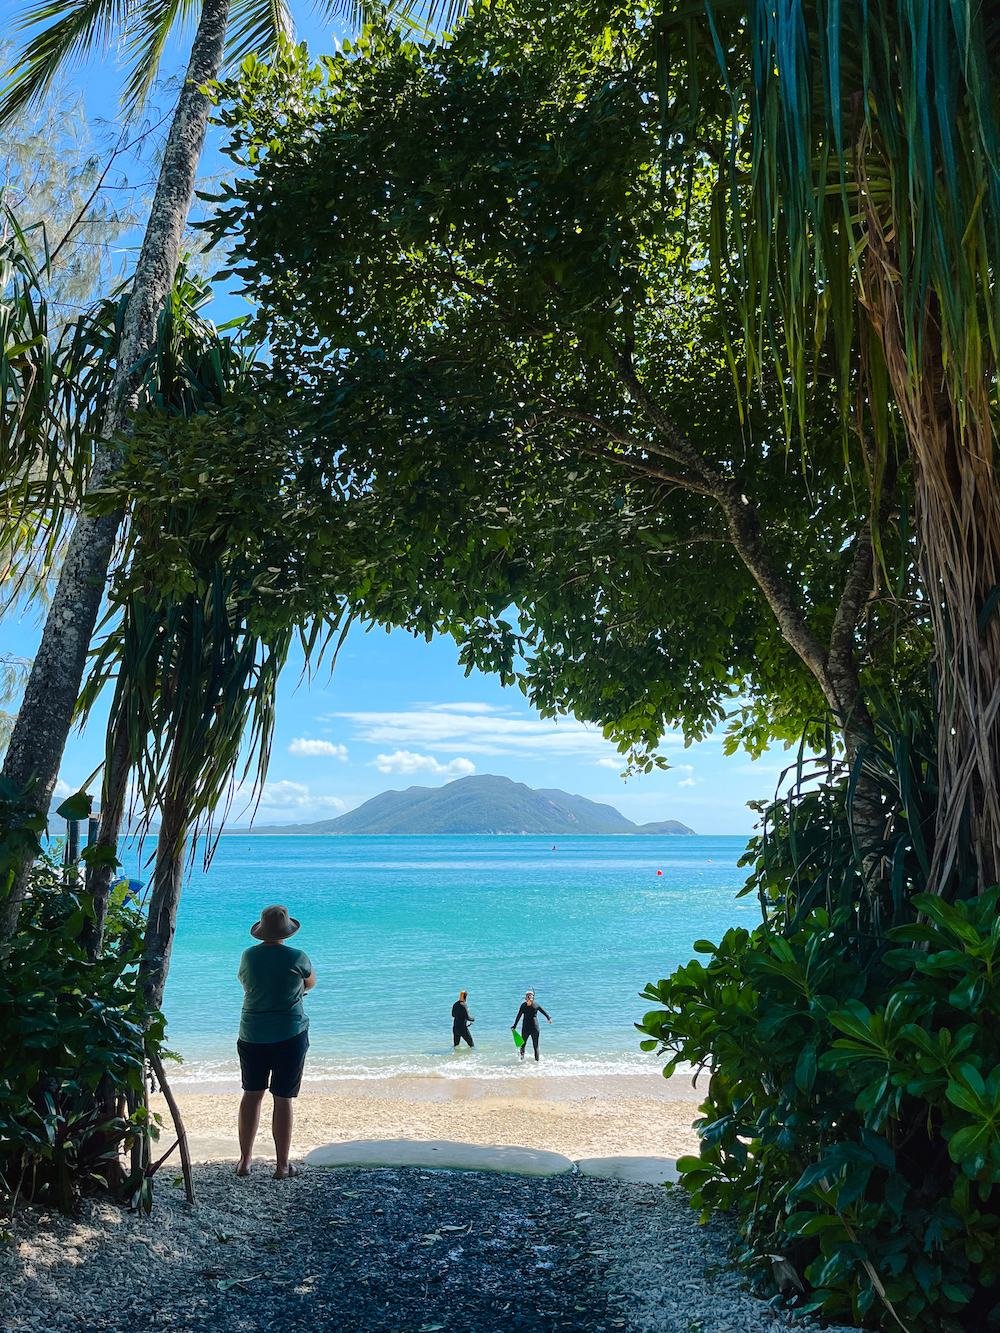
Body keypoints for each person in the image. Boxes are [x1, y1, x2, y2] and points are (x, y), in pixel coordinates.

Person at [236, 904, 316, 1179]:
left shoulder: (248, 956)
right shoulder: (298, 957)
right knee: (283, 1099)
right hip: (289, 1033)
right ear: (287, 932)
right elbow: (310, 984)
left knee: (251, 1095)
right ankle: (282, 1166)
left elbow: (246, 984)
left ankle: (244, 1162)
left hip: (252, 1033)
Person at [511, 989, 552, 1062]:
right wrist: (514, 1026)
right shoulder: (524, 1006)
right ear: (526, 997)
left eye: (530, 996)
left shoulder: (535, 1005)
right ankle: (522, 1061)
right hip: (527, 1028)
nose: (528, 997)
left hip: (533, 1028)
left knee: (535, 1046)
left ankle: (536, 1062)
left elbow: (544, 1012)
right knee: (523, 1045)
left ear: (532, 997)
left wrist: (548, 1018)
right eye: (527, 996)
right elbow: (518, 1016)